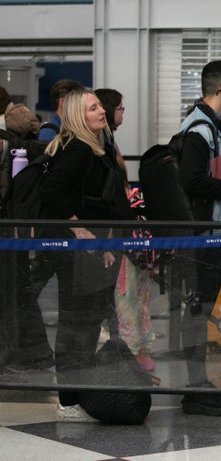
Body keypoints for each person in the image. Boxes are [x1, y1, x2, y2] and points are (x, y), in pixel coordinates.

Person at [40, 87, 132, 422]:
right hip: (77, 254)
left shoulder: (97, 146)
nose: (101, 112)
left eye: (100, 107)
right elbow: (55, 194)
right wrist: (82, 232)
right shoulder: (77, 148)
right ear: (80, 114)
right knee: (76, 323)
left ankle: (79, 390)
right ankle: (68, 397)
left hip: (93, 252)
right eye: (93, 108)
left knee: (88, 323)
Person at [176, 60, 221, 416]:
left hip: (217, 232)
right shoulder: (199, 129)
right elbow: (191, 179)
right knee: (196, 308)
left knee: (203, 308)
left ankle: (198, 383)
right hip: (202, 236)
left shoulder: (217, 129)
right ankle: (194, 386)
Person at [96, 88, 157, 372]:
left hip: (123, 234)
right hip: (115, 236)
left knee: (135, 294)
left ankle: (137, 350)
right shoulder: (100, 144)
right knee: (125, 295)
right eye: (120, 107)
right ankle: (130, 352)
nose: (123, 112)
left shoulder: (109, 142)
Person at [0, 99, 54, 375]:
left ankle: (19, 355)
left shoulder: (9, 141)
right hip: (15, 227)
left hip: (8, 229)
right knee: (19, 290)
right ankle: (35, 354)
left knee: (12, 292)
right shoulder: (26, 134)